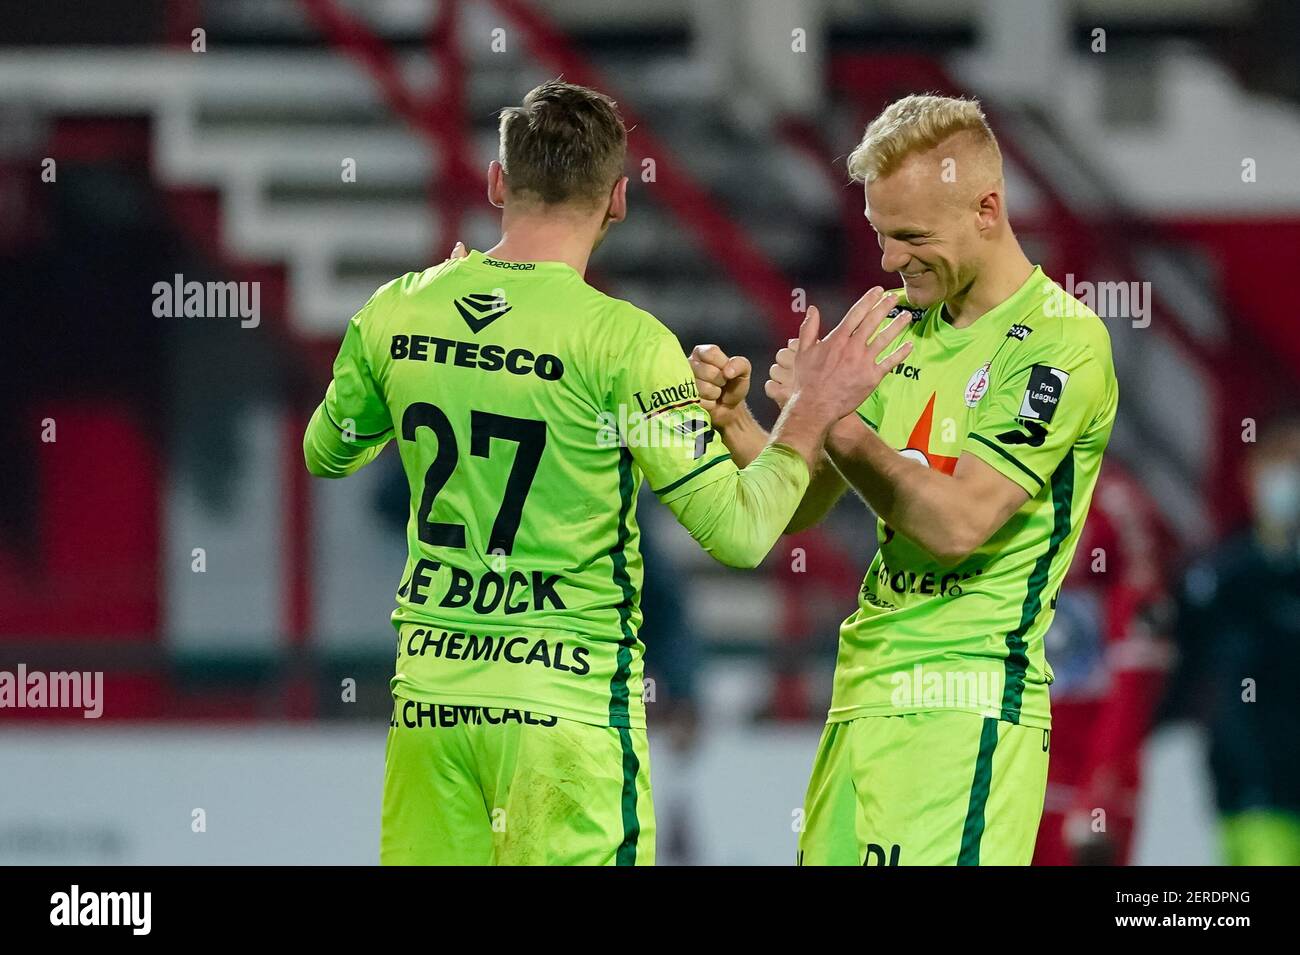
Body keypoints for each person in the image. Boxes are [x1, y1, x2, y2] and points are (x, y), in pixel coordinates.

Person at [302, 80, 910, 865]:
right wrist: (810, 414)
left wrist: (430, 337)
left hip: (432, 711)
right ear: (618, 200)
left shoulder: (398, 310)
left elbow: (328, 451)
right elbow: (741, 531)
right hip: (567, 722)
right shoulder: (625, 343)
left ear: (496, 183)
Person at [691, 94, 1118, 865]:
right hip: (862, 696)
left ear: (988, 208)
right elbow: (803, 502)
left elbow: (958, 526)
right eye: (881, 234)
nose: (890, 260)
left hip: (965, 709)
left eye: (913, 236)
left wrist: (836, 417)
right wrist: (747, 427)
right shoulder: (889, 321)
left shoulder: (1060, 344)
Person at [1159, 412, 1300, 865]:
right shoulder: (1217, 578)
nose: (1290, 478)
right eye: (1281, 462)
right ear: (1251, 472)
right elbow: (1183, 670)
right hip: (1248, 793)